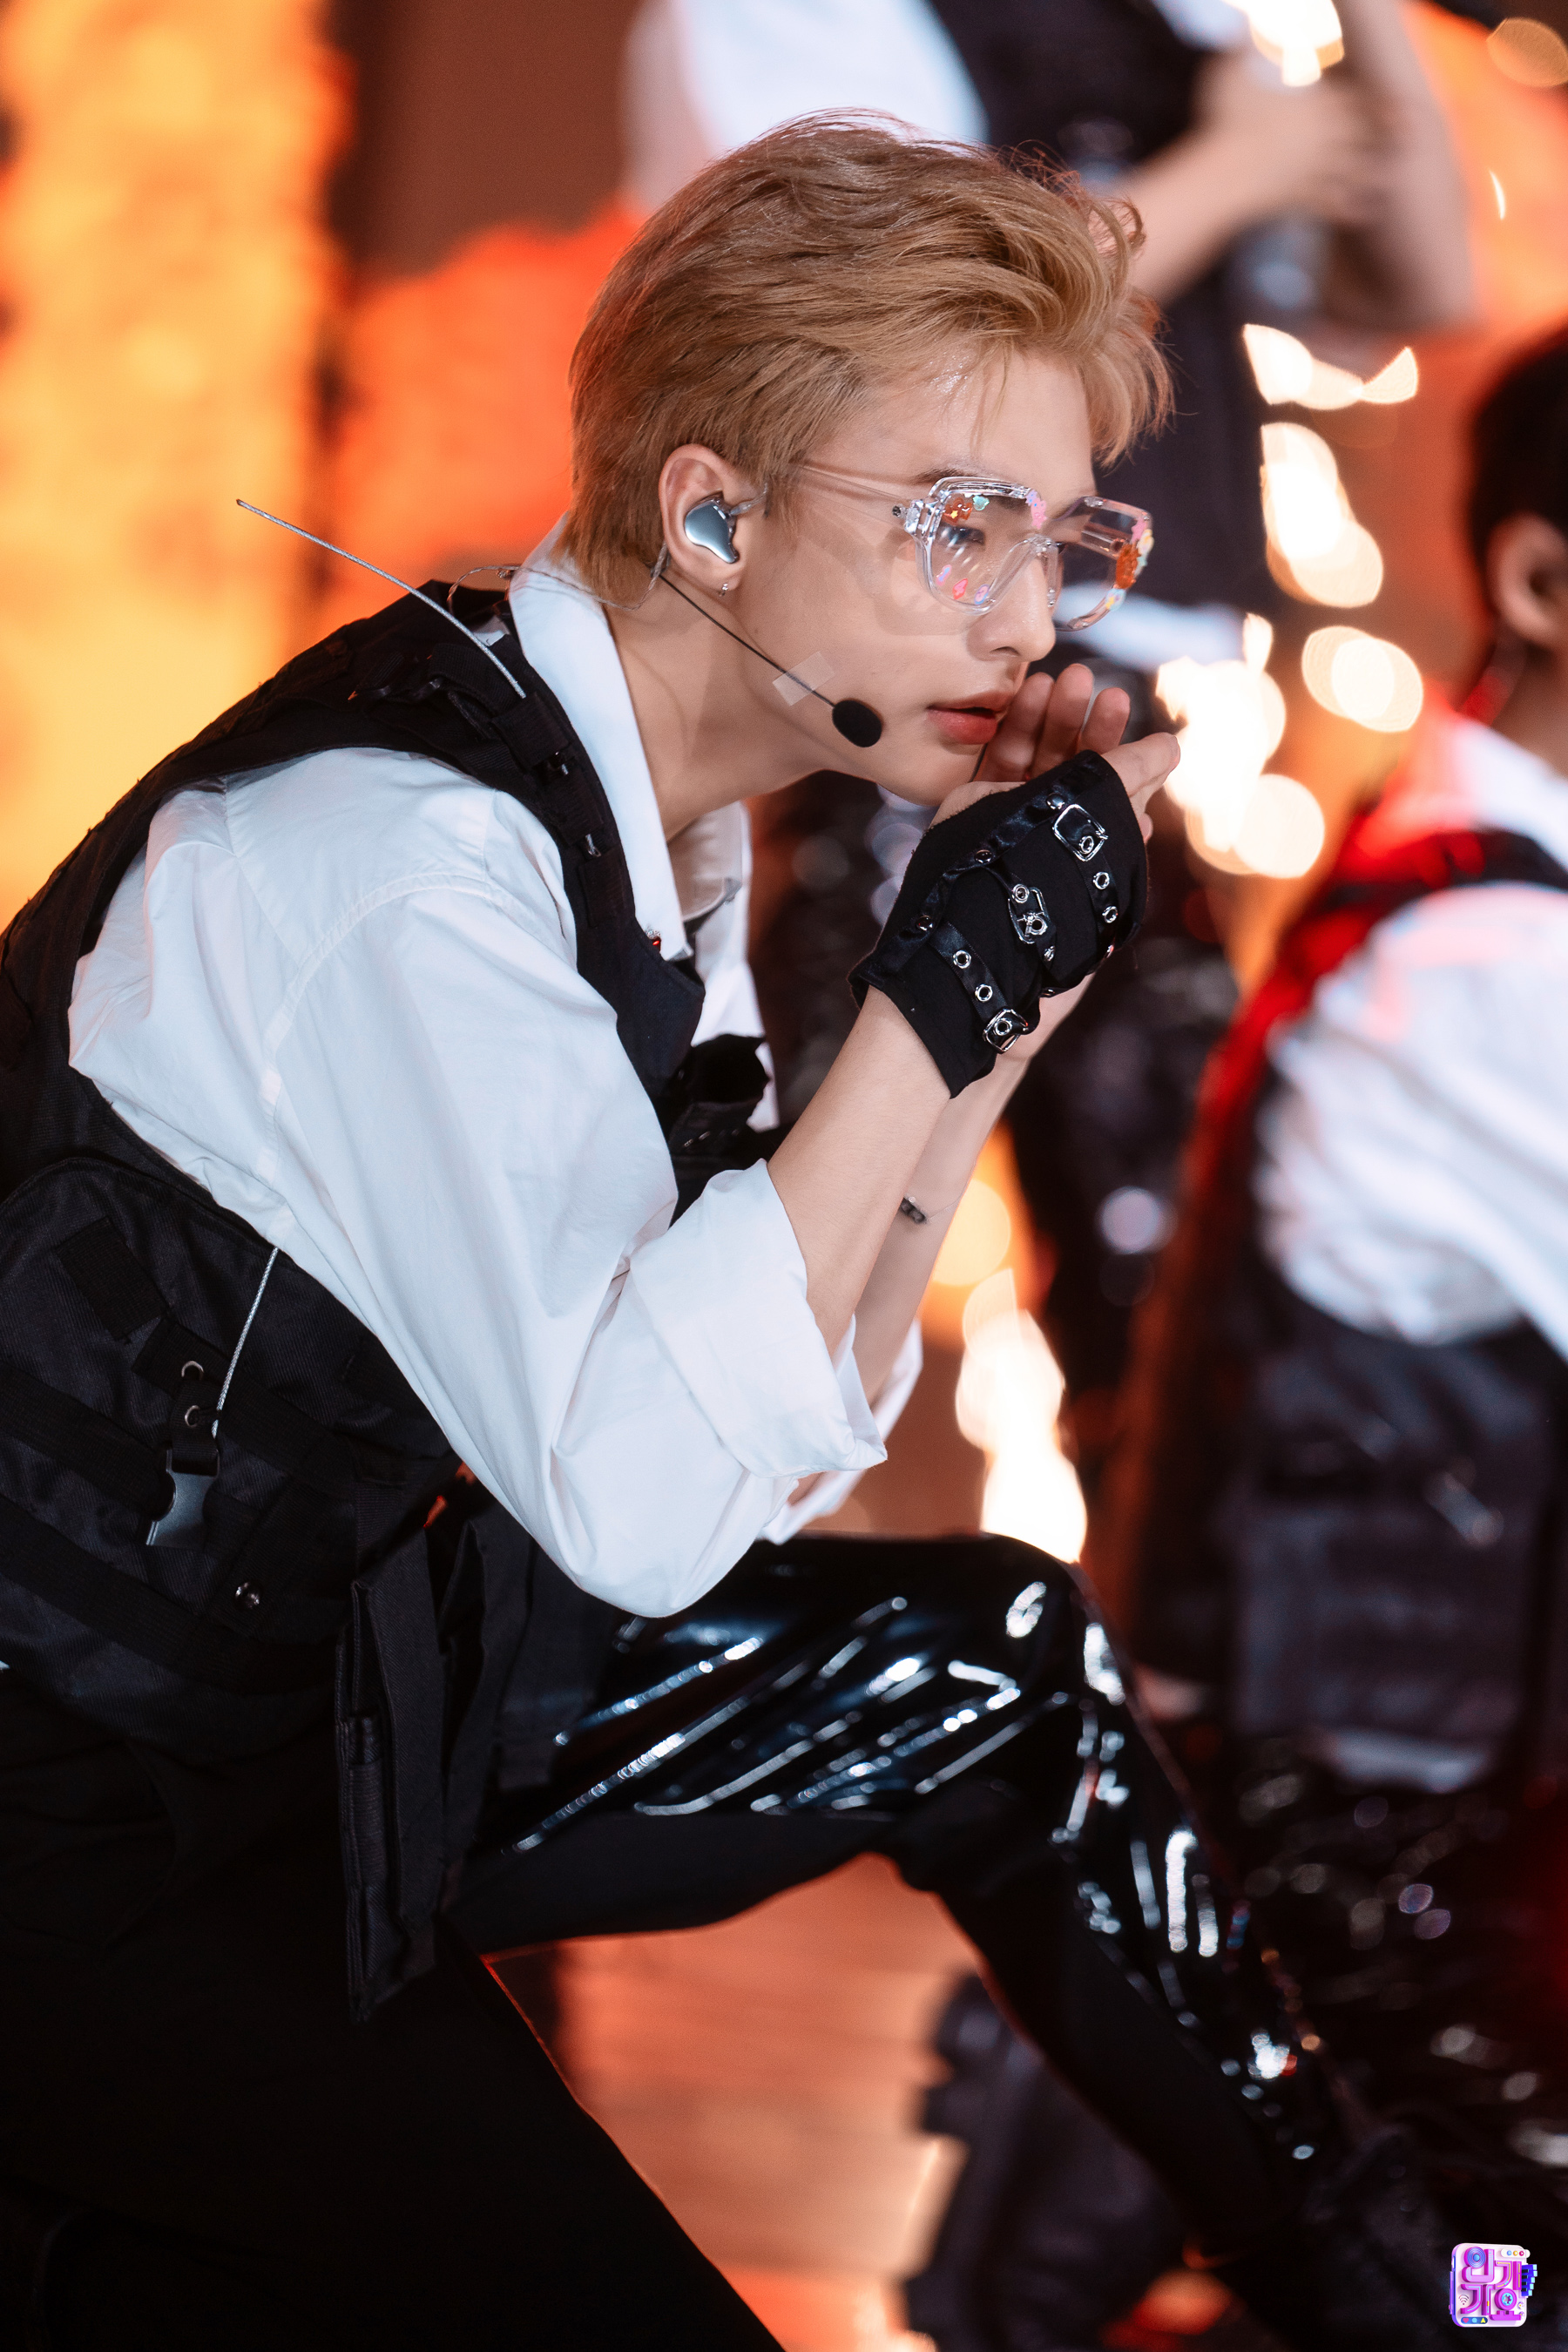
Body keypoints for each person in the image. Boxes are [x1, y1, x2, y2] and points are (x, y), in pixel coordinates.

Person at [0, 120, 1443, 2349]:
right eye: (958, 527)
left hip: (324, 1714)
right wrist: (940, 990)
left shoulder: (658, 836)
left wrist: (987, 1019)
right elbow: (645, 1510)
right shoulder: (402, 866)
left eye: (1059, 541)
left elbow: (778, 1424)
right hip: (82, 1816)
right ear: (710, 514)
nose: (1028, 617)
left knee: (993, 1666)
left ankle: (1446, 2300)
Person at [911, 324, 1568, 2345]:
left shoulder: (1464, 884)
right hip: (1369, 1888)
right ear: (1541, 582)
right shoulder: (1500, 962)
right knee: (1493, 2292)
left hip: (1345, 1859)